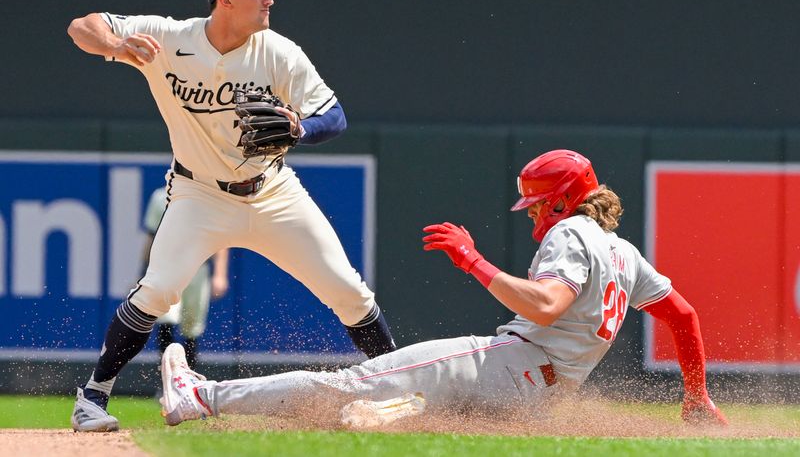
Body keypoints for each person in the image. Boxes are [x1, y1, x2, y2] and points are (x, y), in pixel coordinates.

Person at [157, 149, 728, 429]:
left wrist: (474, 261)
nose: (532, 216)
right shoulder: (623, 251)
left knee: (347, 381)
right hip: (546, 397)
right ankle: (398, 409)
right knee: (365, 403)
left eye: (536, 205)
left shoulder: (570, 232)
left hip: (516, 363)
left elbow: (548, 307)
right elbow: (684, 316)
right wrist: (696, 394)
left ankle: (199, 397)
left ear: (559, 200)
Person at [67, 0, 396, 432]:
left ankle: (401, 387)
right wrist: (117, 45)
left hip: (273, 193)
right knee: (158, 289)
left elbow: (335, 117)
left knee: (347, 290)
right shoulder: (168, 37)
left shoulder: (279, 52)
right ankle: (92, 397)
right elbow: (82, 27)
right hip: (198, 195)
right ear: (226, 0)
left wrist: (301, 128)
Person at [142, 186, 230, 370]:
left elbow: (219, 240)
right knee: (167, 318)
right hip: (168, 267)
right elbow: (152, 238)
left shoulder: (208, 197)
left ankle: (189, 379)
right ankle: (167, 379)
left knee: (192, 325)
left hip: (198, 267)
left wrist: (220, 275)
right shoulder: (160, 197)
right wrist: (144, 271)